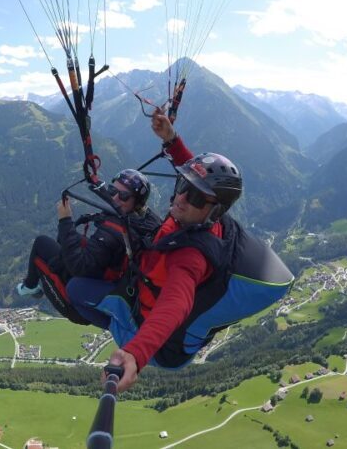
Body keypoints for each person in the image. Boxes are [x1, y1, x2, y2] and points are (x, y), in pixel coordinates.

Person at [68, 109, 245, 392]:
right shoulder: (205, 214)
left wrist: (135, 354)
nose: (181, 197)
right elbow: (194, 171)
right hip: (146, 284)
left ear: (214, 210)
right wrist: (171, 139)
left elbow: (176, 303)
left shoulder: (191, 257)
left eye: (195, 196)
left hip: (153, 333)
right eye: (183, 185)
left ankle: (118, 326)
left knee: (75, 290)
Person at [17, 168, 161, 324]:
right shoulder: (147, 222)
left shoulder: (113, 232)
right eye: (112, 190)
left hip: (80, 302)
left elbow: (79, 266)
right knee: (64, 241)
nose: (115, 198)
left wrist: (65, 221)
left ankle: (30, 286)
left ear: (136, 203)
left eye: (124, 196)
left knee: (41, 244)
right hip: (108, 282)